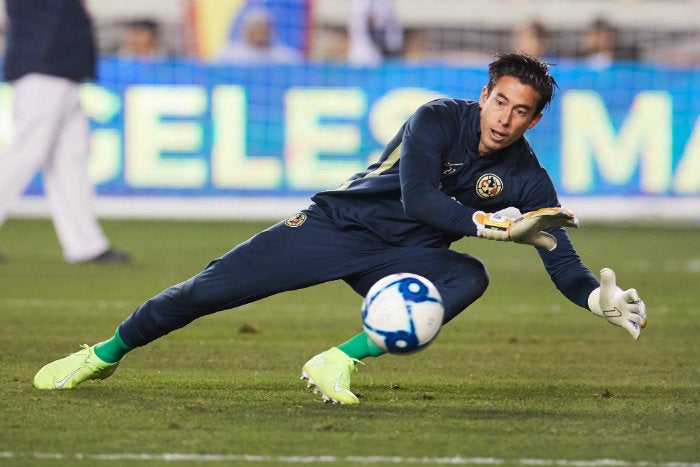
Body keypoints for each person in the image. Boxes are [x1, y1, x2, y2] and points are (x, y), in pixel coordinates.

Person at [33, 53, 647, 404]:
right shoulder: (436, 117)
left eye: (522, 111)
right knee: (202, 292)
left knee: (467, 275)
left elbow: (558, 254)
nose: (506, 119)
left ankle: (337, 360)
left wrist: (596, 297)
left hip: (401, 260)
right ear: (483, 95)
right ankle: (104, 353)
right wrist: (490, 226)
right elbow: (420, 198)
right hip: (335, 226)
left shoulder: (529, 179)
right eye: (500, 102)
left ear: (535, 120)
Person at [0, 0, 129, 264]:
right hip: (42, 64)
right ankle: (85, 244)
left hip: (63, 66)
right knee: (26, 154)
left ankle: (86, 244)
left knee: (70, 159)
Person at [214, 7, 302, 64]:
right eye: (255, 28)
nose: (259, 33)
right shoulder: (229, 55)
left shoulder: (284, 57)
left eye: (263, 28)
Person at [347, 0, 403, 66]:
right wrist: (386, 50)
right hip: (368, 56)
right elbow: (370, 25)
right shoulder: (368, 3)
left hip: (378, 55)